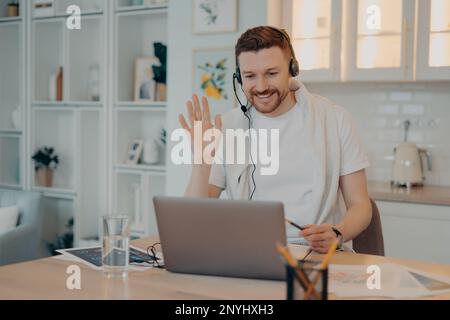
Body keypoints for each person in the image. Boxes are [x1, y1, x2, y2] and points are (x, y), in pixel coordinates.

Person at [179, 26, 372, 254]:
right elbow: (192, 221)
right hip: (249, 254)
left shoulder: (335, 119)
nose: (261, 87)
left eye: (271, 73)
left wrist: (337, 233)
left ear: (292, 69)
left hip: (316, 255)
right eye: (250, 76)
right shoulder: (228, 127)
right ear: (239, 77)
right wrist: (201, 165)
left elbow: (361, 205)